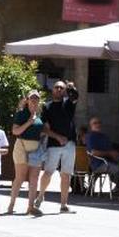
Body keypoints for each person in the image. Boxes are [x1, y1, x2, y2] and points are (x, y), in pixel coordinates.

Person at [39, 79, 79, 213]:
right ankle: (40, 196)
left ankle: (63, 204)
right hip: (54, 144)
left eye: (62, 88)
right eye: (57, 87)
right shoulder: (47, 106)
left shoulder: (68, 103)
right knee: (48, 172)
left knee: (66, 175)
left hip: (70, 143)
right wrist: (57, 137)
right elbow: (44, 128)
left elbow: (75, 96)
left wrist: (71, 88)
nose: (59, 89)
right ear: (52, 90)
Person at [7, 91, 45, 215]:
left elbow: (43, 131)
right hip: (22, 147)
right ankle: (11, 205)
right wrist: (29, 122)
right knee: (20, 178)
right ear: (27, 100)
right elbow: (15, 131)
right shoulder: (21, 114)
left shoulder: (39, 115)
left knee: (34, 178)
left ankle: (30, 207)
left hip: (36, 148)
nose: (34, 100)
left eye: (37, 98)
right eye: (32, 98)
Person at [84, 116, 119, 198]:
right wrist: (109, 153)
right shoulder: (90, 136)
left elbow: (110, 149)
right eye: (95, 123)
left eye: (99, 122)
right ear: (91, 125)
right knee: (118, 170)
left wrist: (114, 154)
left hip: (110, 161)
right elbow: (93, 152)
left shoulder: (104, 136)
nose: (97, 124)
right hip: (98, 163)